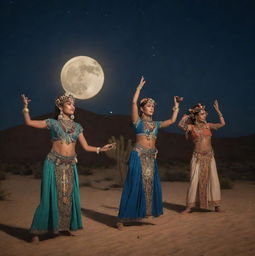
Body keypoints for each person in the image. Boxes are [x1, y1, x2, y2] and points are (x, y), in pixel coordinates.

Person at [21, 93, 114, 242]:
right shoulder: (52, 123)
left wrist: (100, 149)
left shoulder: (78, 127)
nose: (72, 106)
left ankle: (64, 227)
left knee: (68, 198)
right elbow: (29, 123)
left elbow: (86, 146)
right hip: (53, 163)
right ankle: (36, 231)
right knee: (48, 198)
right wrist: (25, 108)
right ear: (60, 106)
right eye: (69, 104)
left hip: (70, 165)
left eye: (73, 104)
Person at [117, 77, 182, 229]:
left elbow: (172, 121)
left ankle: (139, 214)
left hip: (151, 158)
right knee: (133, 186)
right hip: (138, 156)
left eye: (153, 106)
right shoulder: (137, 122)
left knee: (147, 186)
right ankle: (121, 218)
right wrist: (138, 89)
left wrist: (176, 106)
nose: (152, 108)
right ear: (142, 108)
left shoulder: (156, 124)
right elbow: (133, 103)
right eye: (148, 106)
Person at [178, 100, 225, 213]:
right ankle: (189, 206)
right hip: (197, 157)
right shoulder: (192, 127)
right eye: (202, 113)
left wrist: (218, 111)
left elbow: (222, 124)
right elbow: (180, 125)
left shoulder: (208, 126)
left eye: (205, 113)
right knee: (194, 180)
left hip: (209, 156)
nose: (205, 115)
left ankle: (216, 206)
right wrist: (188, 116)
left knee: (213, 179)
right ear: (196, 115)